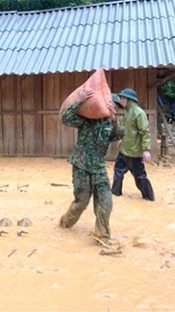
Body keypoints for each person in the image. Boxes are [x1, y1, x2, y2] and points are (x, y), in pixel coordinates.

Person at [59, 90, 124, 243]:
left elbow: (120, 134)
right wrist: (79, 101)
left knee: (106, 201)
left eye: (116, 107)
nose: (114, 109)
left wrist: (114, 119)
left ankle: (102, 235)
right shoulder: (86, 120)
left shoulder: (111, 125)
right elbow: (66, 119)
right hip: (81, 165)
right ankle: (65, 222)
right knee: (81, 202)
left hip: (99, 168)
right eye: (112, 105)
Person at [111, 88, 155, 201]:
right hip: (124, 149)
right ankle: (115, 193)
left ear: (128, 99)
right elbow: (127, 129)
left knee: (140, 177)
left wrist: (146, 149)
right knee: (118, 171)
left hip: (134, 152)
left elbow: (145, 132)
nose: (120, 100)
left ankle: (149, 198)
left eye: (122, 98)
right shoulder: (128, 111)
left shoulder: (139, 113)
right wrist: (122, 139)